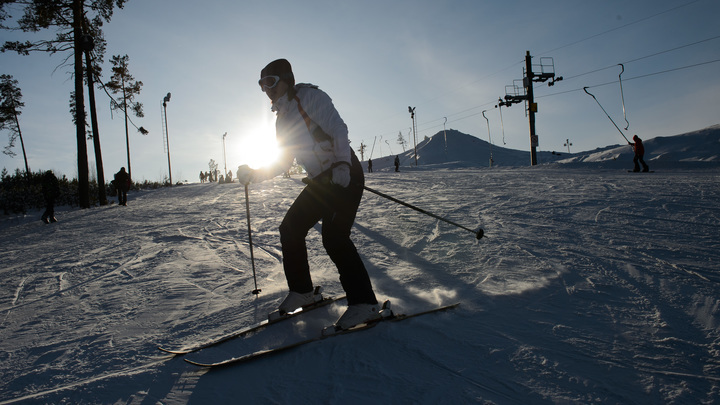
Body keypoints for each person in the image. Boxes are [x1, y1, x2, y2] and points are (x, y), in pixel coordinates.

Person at [237, 59, 381, 330]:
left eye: (270, 82)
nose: (266, 89)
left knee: (334, 237)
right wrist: (255, 173)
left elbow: (339, 129)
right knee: (290, 228)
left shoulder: (310, 97)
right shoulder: (281, 120)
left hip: (344, 172)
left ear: (285, 79)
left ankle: (364, 303)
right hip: (321, 180)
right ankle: (303, 290)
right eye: (261, 84)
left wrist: (341, 164)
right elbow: (282, 162)